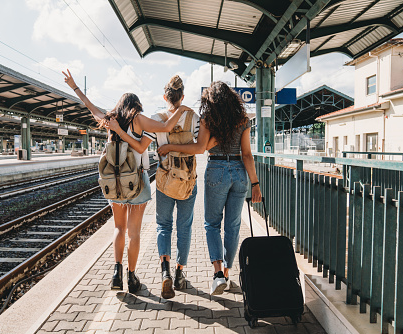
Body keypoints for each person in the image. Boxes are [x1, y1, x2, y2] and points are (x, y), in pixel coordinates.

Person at [62, 69, 187, 293]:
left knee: (119, 228)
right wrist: (182, 110)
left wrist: (74, 87)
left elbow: (90, 107)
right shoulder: (138, 119)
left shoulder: (111, 119)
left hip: (115, 183)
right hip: (136, 181)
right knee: (134, 232)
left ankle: (116, 274)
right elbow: (166, 128)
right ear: (136, 106)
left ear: (120, 106)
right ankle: (132, 277)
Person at [158, 81, 262, 295]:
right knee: (232, 226)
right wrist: (255, 184)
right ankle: (227, 272)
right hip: (240, 172)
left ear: (210, 101)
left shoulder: (208, 120)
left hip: (217, 171)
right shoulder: (243, 120)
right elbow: (247, 155)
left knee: (212, 224)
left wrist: (169, 147)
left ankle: (217, 275)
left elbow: (199, 148)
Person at [106, 75, 199, 299]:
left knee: (161, 226)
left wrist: (77, 89)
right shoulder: (193, 117)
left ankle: (156, 271)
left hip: (157, 181)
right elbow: (199, 147)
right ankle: (176, 273)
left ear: (164, 96)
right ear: (182, 96)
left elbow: (143, 144)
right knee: (181, 227)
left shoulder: (148, 119)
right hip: (184, 180)